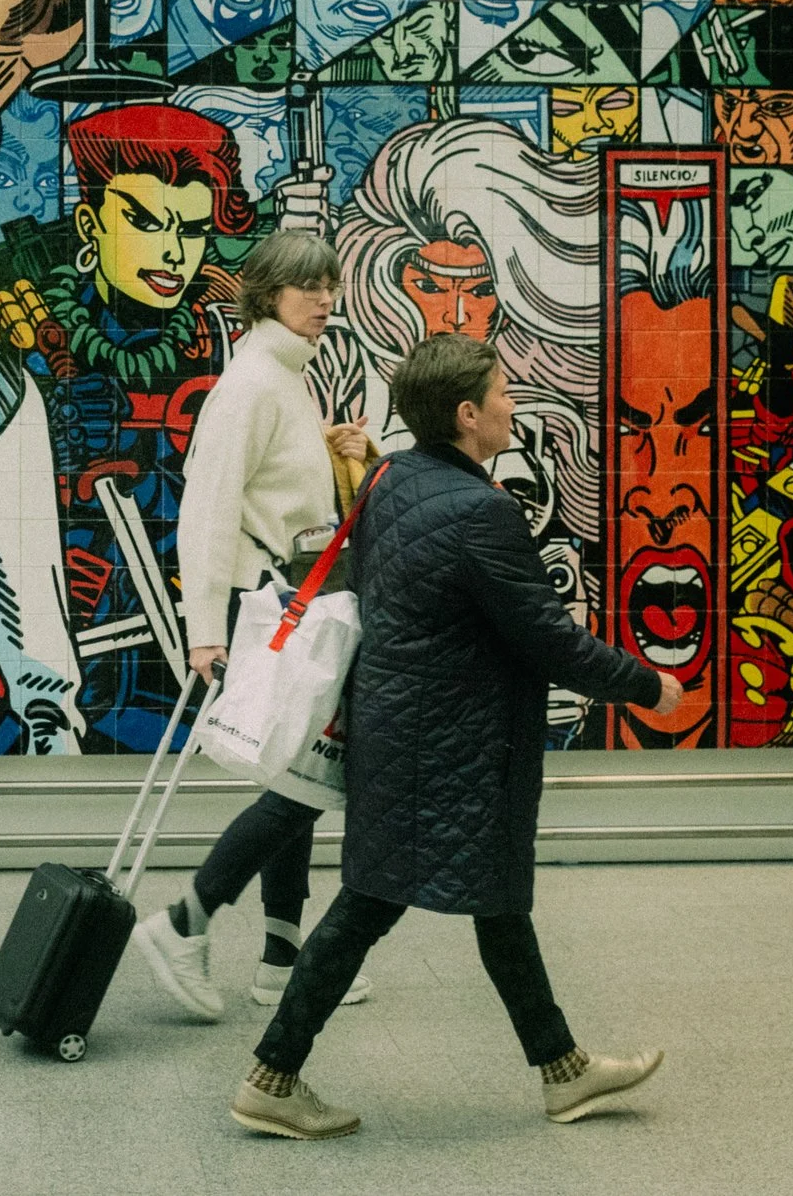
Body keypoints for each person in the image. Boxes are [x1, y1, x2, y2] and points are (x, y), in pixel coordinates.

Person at [229, 334, 681, 1139]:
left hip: (406, 732)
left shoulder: (391, 480)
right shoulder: (481, 510)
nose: (513, 402)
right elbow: (551, 639)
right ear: (468, 415)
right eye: (503, 391)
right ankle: (271, 1075)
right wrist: (650, 687)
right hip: (454, 748)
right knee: (373, 907)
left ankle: (563, 1071)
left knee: (494, 904)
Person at [134, 232, 374, 1021]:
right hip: (275, 608)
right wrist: (204, 628)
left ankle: (278, 957)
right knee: (301, 781)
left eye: (330, 286)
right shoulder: (251, 385)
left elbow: (282, 490)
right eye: (309, 287)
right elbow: (204, 511)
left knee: (295, 775)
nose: (325, 301)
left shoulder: (284, 378)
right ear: (269, 292)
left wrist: (336, 451)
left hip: (298, 603)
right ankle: (185, 923)